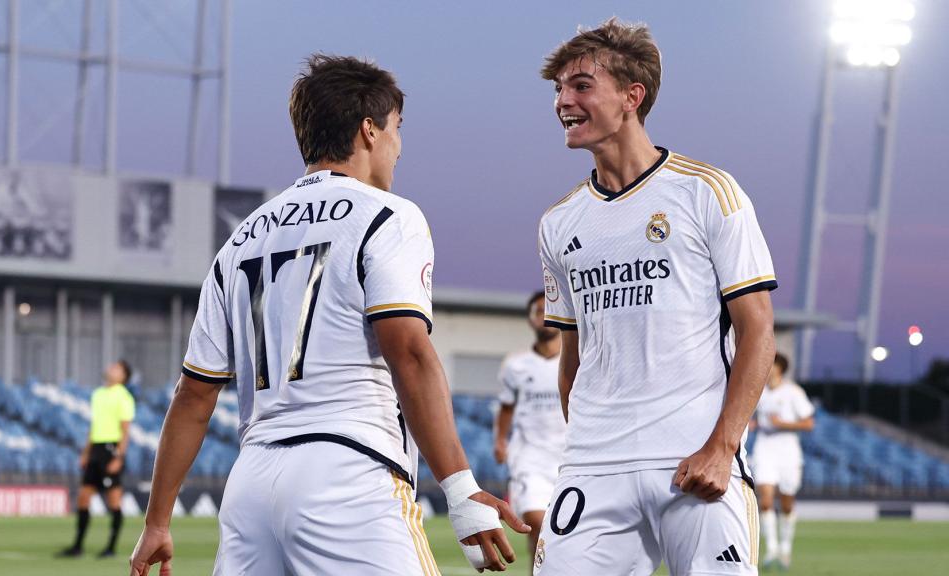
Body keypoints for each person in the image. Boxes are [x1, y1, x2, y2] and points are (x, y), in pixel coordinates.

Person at [129, 55, 527, 576]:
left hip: (250, 485)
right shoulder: (387, 214)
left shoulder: (239, 239)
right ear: (369, 129)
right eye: (396, 128)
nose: (399, 146)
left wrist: (157, 521)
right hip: (348, 472)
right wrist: (459, 489)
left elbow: (195, 394)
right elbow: (407, 351)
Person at [535, 18, 777, 575]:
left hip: (693, 462)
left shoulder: (707, 191)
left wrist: (722, 446)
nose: (562, 102)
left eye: (580, 86)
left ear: (631, 96)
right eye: (558, 90)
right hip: (593, 467)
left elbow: (758, 330)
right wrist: (589, 449)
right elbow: (571, 361)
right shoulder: (558, 222)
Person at [493, 291, 565, 573]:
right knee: (538, 521)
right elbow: (507, 407)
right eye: (537, 311)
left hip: (568, 458)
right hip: (529, 458)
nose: (543, 316)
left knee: (558, 532)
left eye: (548, 310)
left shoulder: (579, 359)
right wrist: (500, 440)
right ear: (530, 319)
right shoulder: (515, 365)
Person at [59, 360, 135, 558]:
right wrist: (86, 452)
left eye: (116, 367)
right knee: (83, 498)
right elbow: (95, 426)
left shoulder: (124, 397)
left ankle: (111, 547)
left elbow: (125, 431)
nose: (110, 368)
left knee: (113, 502)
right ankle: (78, 546)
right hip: (96, 450)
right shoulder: (98, 395)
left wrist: (119, 457)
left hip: (111, 450)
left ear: (123, 376)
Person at [751, 353, 814, 571]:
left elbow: (808, 423)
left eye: (771, 366)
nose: (766, 369)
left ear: (779, 369)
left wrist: (782, 424)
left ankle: (786, 547)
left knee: (787, 503)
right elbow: (755, 418)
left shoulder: (794, 392)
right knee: (766, 500)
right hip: (765, 447)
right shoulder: (758, 391)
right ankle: (772, 549)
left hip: (788, 450)